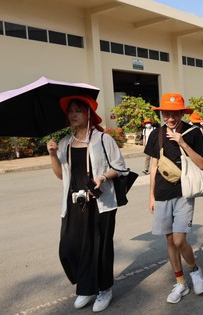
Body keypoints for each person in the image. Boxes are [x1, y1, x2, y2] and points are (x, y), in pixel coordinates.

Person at [47, 95, 127, 312]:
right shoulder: (65, 143)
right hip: (74, 202)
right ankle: (86, 286)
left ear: (88, 113)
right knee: (69, 247)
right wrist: (53, 155)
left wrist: (102, 177)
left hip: (100, 203)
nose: (73, 114)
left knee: (99, 248)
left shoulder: (102, 139)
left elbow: (120, 168)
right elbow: (61, 176)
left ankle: (103, 289)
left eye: (78, 110)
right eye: (70, 111)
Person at [144, 93, 203, 303]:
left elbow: (201, 165)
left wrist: (183, 143)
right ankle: (180, 283)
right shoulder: (156, 134)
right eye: (167, 113)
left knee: (180, 239)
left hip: (184, 192)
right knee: (170, 240)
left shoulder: (193, 133)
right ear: (162, 113)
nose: (170, 118)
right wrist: (151, 195)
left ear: (182, 113)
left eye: (175, 113)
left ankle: (194, 269)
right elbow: (154, 167)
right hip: (162, 194)